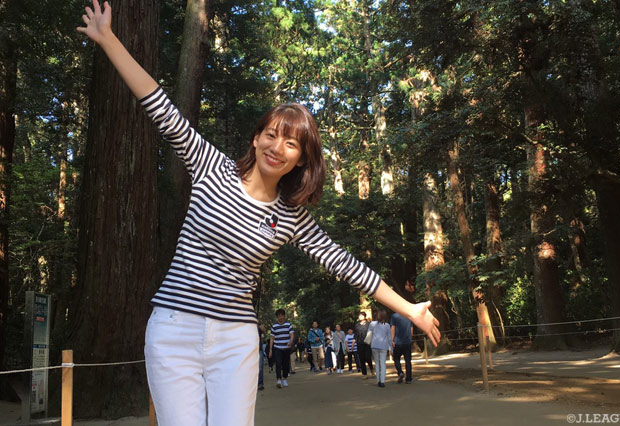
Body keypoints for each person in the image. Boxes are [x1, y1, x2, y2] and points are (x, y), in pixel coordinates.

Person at [77, 2, 440, 424]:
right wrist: (108, 38)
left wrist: (409, 308)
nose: (277, 147)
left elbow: (347, 265)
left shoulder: (292, 216)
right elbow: (159, 105)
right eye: (271, 135)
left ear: (301, 159)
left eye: (291, 143)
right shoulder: (210, 166)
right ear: (256, 138)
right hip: (174, 328)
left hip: (235, 339)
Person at [269, 309, 294, 388]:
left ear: (284, 316)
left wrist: (291, 341)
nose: (281, 317)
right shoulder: (274, 326)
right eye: (279, 316)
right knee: (278, 363)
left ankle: (285, 378)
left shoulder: (288, 325)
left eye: (282, 315)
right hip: (277, 348)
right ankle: (279, 380)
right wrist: (270, 349)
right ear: (277, 317)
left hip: (286, 348)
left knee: (285, 364)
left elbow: (292, 335)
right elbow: (272, 338)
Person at [370, 310, 392, 388]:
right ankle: (382, 381)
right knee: (383, 363)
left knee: (377, 363)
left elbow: (369, 334)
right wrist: (391, 348)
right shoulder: (387, 325)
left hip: (374, 345)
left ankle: (378, 380)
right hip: (383, 346)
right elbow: (389, 338)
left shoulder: (372, 324)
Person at [391, 312, 414, 384]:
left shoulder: (394, 316)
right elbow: (411, 329)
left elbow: (393, 328)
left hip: (397, 342)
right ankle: (409, 378)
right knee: (408, 361)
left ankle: (400, 372)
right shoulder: (409, 315)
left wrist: (392, 340)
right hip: (407, 341)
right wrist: (410, 338)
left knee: (396, 359)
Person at [355, 312, 374, 379]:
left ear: (364, 316)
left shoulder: (369, 324)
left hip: (367, 343)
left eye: (361, 315)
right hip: (359, 343)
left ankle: (371, 368)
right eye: (359, 315)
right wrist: (354, 341)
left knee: (368, 358)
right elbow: (356, 334)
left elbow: (372, 333)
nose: (360, 317)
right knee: (361, 359)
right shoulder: (357, 325)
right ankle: (364, 374)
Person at [258, 324, 266, 390]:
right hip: (249, 350)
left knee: (260, 367)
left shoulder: (258, 326)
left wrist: (263, 329)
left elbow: (264, 334)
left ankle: (260, 383)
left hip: (259, 349)